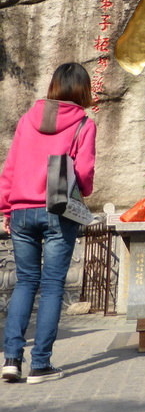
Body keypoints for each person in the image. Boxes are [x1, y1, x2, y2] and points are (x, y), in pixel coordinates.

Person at [1, 62, 96, 383]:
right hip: (56, 209)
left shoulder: (27, 120)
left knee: (25, 283)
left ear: (54, 86)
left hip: (20, 212)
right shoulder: (83, 124)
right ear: (83, 90)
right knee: (53, 286)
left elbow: (10, 167)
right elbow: (83, 175)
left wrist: (5, 210)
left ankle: (11, 359)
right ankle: (40, 364)